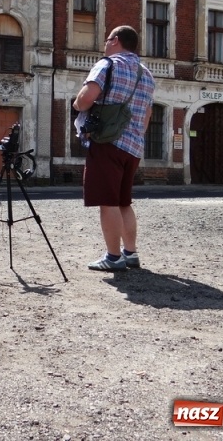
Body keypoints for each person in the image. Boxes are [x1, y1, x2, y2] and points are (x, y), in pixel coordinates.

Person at [73, 25, 156, 271]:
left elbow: (85, 100)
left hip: (107, 142)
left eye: (107, 39)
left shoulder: (108, 65)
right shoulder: (146, 74)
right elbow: (147, 114)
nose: (105, 44)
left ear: (116, 40)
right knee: (123, 201)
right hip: (133, 147)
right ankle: (130, 253)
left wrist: (77, 104)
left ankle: (113, 257)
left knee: (107, 202)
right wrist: (135, 135)